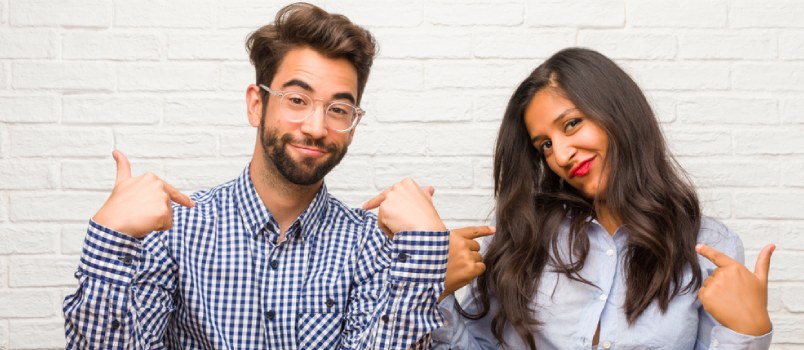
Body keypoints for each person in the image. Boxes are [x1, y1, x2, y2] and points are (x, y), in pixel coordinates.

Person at [63, 3, 452, 349]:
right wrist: (110, 241)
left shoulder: (371, 244)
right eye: (297, 100)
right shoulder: (173, 231)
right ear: (256, 104)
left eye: (338, 109)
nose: (317, 127)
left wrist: (424, 252)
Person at [430, 48, 775, 349]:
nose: (561, 155)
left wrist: (749, 332)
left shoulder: (710, 248)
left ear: (618, 113)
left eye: (571, 124)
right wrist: (436, 291)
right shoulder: (521, 239)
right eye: (545, 145)